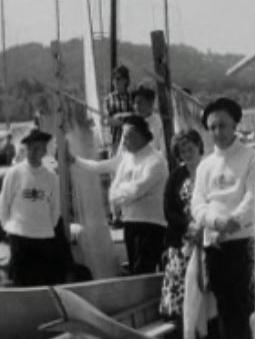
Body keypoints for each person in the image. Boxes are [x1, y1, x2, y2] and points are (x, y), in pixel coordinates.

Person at [190, 97, 255, 339]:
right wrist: (215, 222)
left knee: (244, 307)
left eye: (223, 125)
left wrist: (231, 222)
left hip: (242, 242)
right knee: (222, 306)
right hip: (214, 246)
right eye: (212, 127)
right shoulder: (205, 166)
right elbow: (197, 204)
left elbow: (253, 198)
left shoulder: (251, 157)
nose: (217, 132)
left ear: (234, 125)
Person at [73, 116, 169, 274]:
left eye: (126, 136)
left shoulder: (156, 161)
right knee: (134, 267)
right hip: (130, 222)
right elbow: (102, 170)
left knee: (144, 270)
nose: (123, 141)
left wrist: (120, 192)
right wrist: (75, 160)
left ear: (139, 135)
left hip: (151, 225)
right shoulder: (127, 158)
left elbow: (134, 191)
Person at [0, 129, 61, 286]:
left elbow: (55, 208)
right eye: (30, 148)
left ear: (44, 151)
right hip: (19, 235)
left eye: (37, 148)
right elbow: (4, 202)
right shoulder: (14, 173)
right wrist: (8, 226)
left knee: (42, 280)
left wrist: (46, 226)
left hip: (43, 236)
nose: (33, 152)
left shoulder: (51, 177)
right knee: (21, 281)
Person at [159, 130, 204, 333]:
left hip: (207, 235)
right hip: (183, 239)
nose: (187, 152)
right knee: (181, 283)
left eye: (190, 147)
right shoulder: (176, 176)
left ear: (198, 146)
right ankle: (181, 328)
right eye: (182, 150)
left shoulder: (208, 168)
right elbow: (169, 209)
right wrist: (188, 227)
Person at [104, 65, 134, 151]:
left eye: (118, 78)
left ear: (126, 80)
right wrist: (127, 120)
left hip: (131, 143)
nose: (115, 81)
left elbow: (137, 118)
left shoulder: (133, 98)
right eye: (114, 78)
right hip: (115, 143)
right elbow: (106, 121)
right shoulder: (108, 100)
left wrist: (118, 118)